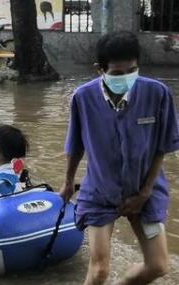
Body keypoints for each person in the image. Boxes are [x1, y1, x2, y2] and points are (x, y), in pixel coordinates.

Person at [60, 31, 178, 285]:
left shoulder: (158, 94)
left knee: (158, 265)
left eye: (131, 70)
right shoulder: (83, 97)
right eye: (116, 73)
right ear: (99, 69)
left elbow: (163, 146)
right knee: (99, 270)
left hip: (146, 187)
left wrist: (145, 192)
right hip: (101, 189)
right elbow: (75, 145)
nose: (125, 78)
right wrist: (68, 182)